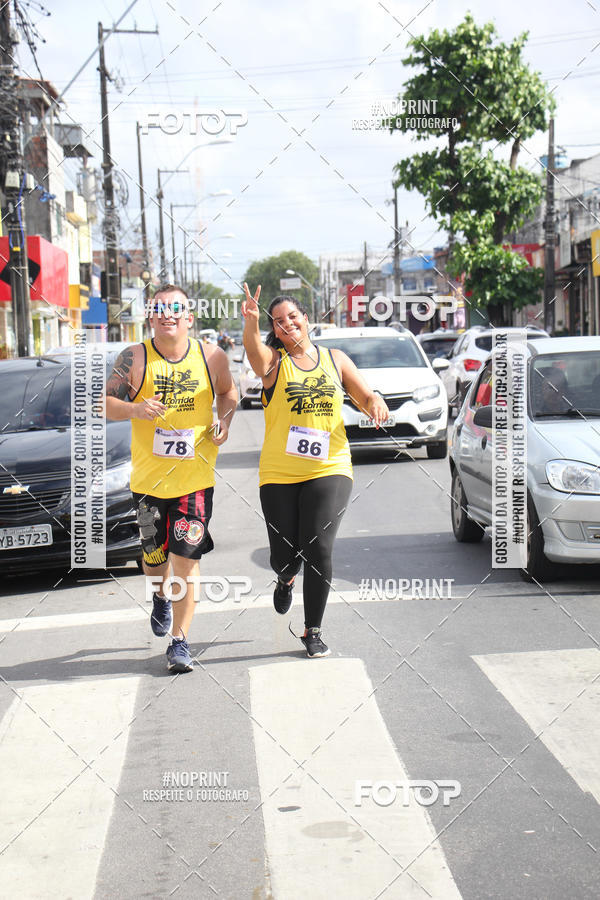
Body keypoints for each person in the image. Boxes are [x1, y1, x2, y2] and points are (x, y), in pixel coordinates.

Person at [241, 283, 389, 658]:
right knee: (285, 557)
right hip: (279, 473)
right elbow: (255, 356)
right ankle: (285, 577)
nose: (287, 324)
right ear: (273, 330)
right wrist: (250, 322)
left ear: (306, 320)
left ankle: (313, 629)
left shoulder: (334, 358)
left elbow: (363, 394)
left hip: (330, 465)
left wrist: (375, 402)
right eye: (278, 321)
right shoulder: (274, 364)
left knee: (319, 545)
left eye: (293, 316)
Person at [105, 284, 238, 673]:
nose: (168, 315)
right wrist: (136, 409)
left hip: (195, 479)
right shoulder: (133, 358)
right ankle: (159, 597)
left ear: (189, 317)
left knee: (186, 559)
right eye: (159, 308)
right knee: (154, 557)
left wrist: (223, 421)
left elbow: (229, 395)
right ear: (150, 316)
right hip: (148, 482)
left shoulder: (211, 356)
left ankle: (180, 642)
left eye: (176, 309)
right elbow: (106, 404)